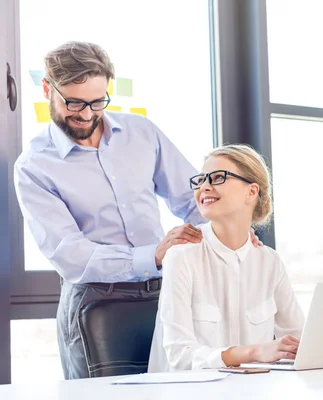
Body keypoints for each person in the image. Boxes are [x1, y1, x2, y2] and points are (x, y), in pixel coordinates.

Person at [13, 41, 259, 379]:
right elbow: (70, 254)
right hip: (96, 302)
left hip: (165, 293)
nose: (86, 114)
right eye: (74, 103)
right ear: (47, 88)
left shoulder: (141, 133)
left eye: (97, 102)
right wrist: (154, 255)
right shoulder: (34, 166)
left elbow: (192, 199)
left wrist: (233, 234)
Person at [148, 144, 305, 371]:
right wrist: (253, 352)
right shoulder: (182, 256)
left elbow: (298, 339)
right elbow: (180, 357)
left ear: (251, 192)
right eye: (200, 180)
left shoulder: (269, 262)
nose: (204, 187)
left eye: (218, 178)